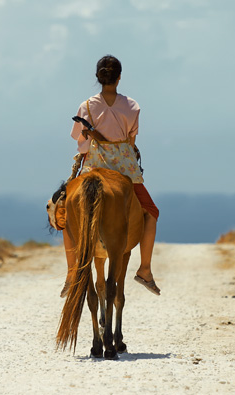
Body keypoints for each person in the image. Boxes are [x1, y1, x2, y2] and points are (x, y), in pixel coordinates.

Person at [69, 54, 161, 296]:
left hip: (94, 168)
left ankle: (71, 274)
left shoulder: (86, 106)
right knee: (151, 212)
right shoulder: (132, 106)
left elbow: (81, 141)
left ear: (98, 78)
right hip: (125, 171)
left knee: (64, 211)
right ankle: (145, 269)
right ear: (119, 78)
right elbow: (131, 141)